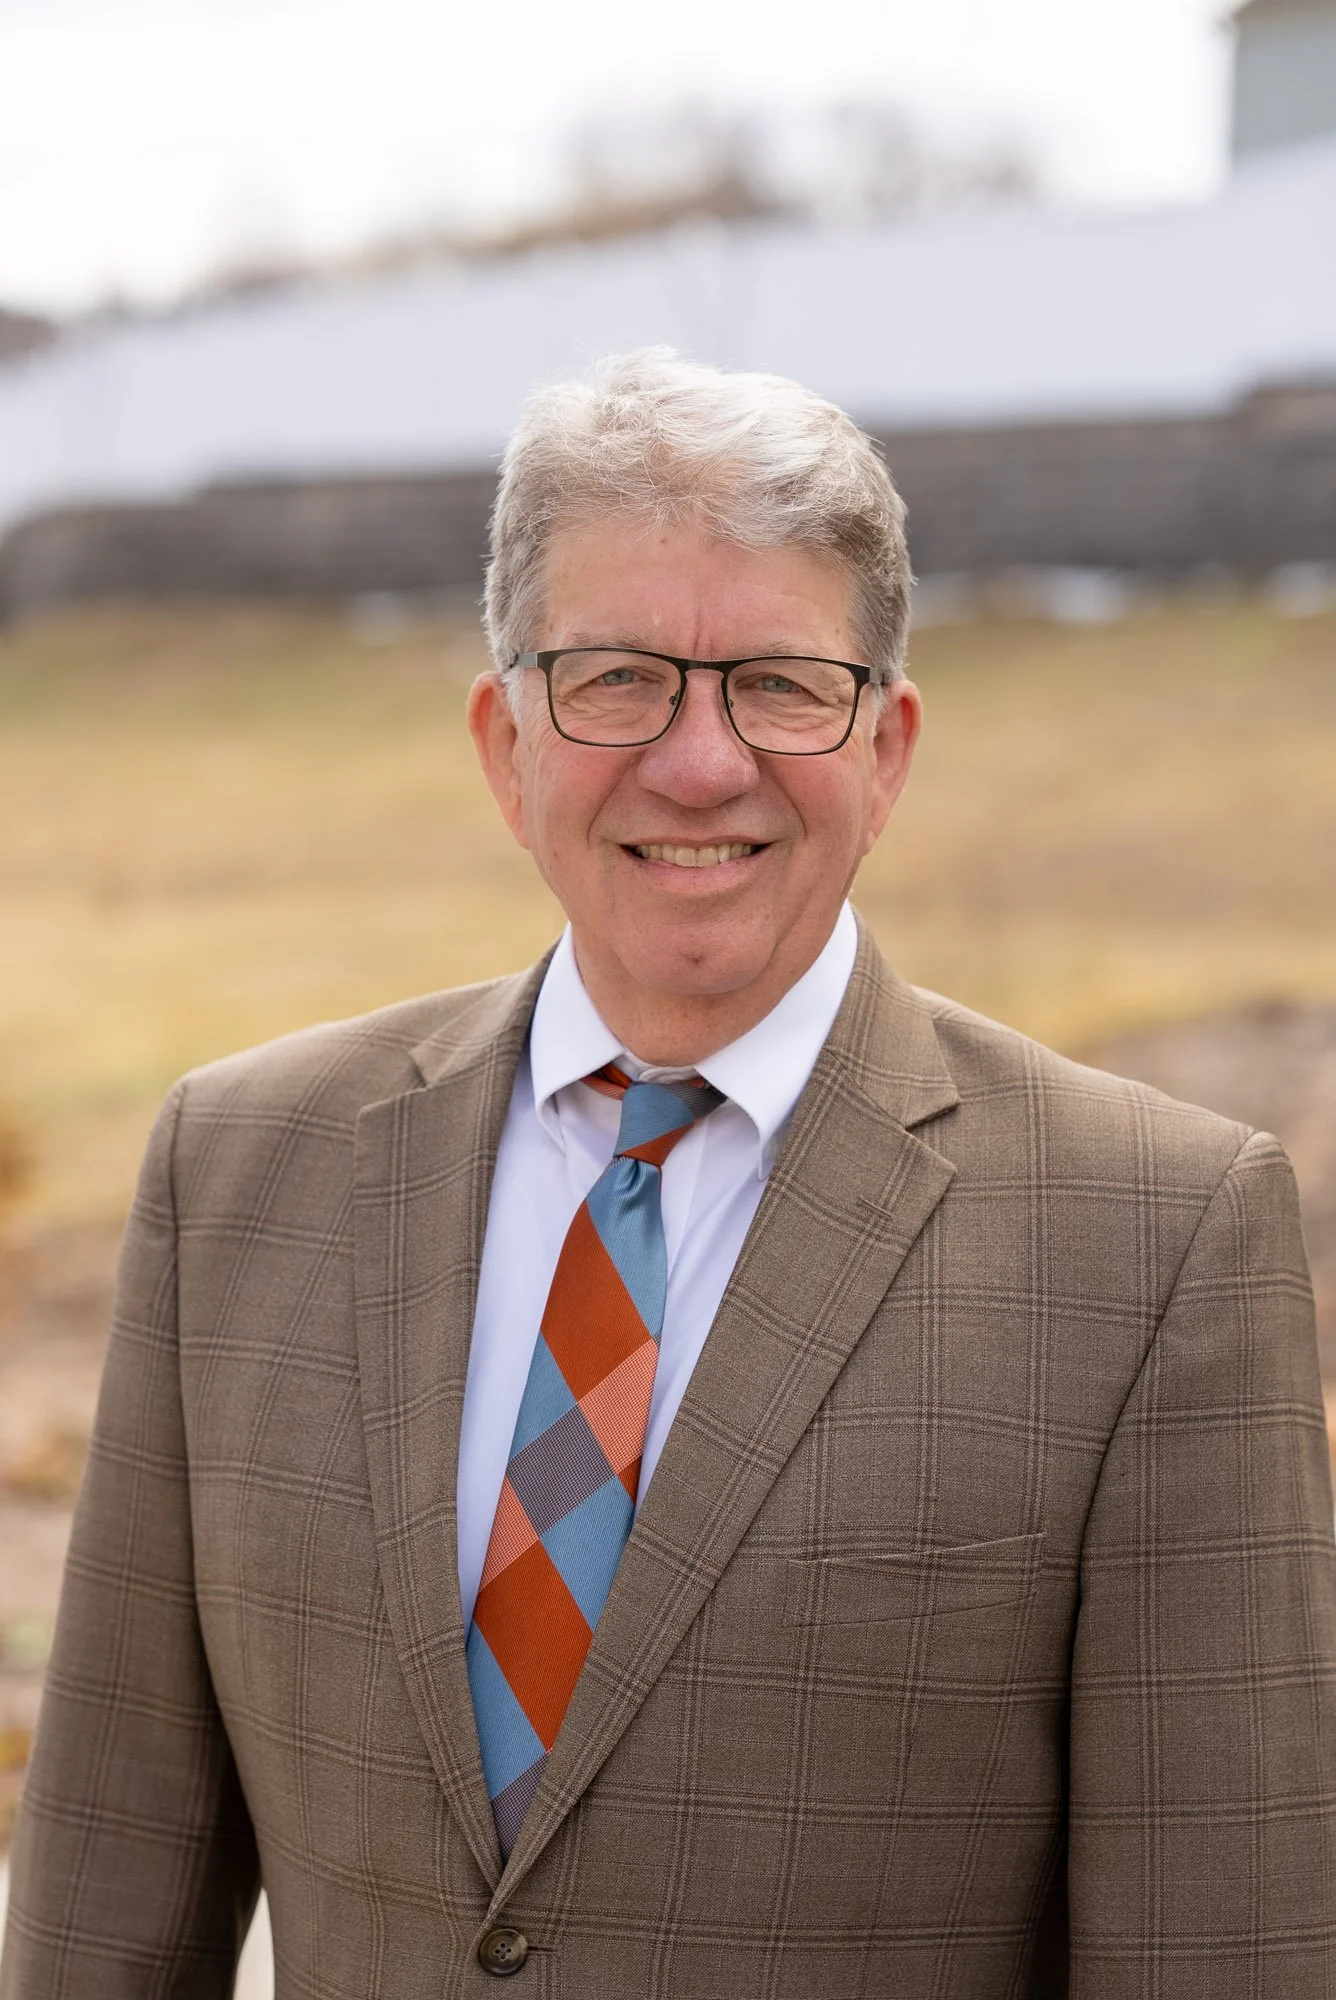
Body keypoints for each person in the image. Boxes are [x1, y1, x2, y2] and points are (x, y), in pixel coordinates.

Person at [2, 350, 1333, 1999]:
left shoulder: (1158, 1244)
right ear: (505, 745)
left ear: (889, 749)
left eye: (779, 684)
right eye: (617, 678)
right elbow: (102, 1915)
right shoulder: (238, 1170)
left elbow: (1224, 1956)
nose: (701, 763)